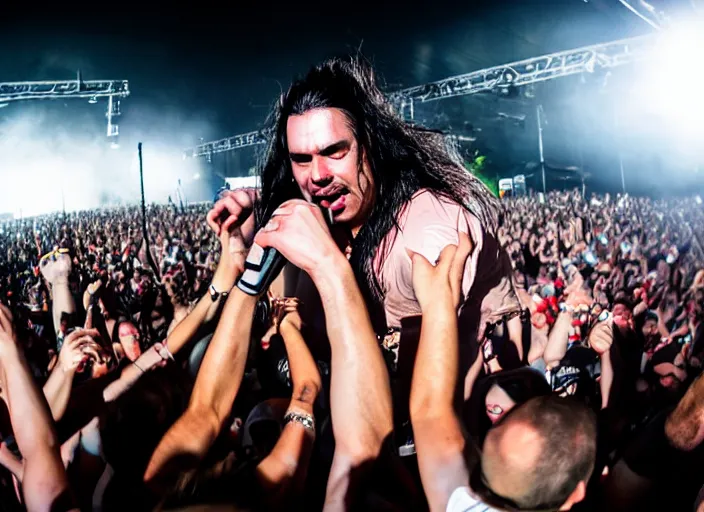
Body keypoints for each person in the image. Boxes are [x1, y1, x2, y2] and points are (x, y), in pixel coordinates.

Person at [207, 56, 521, 407]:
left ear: (370, 143)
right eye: (302, 160)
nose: (318, 175)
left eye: (333, 152)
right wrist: (253, 219)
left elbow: (411, 400)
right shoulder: (323, 210)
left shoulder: (427, 231)